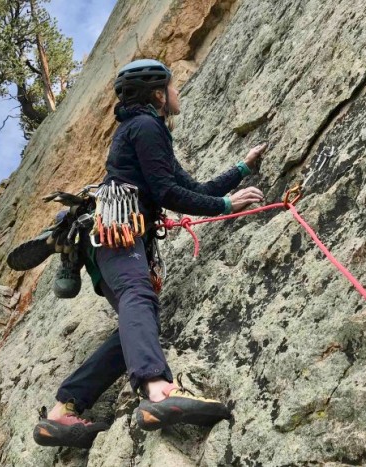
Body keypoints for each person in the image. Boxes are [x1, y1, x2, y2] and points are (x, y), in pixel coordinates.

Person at [33, 59, 267, 449]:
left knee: (138, 319)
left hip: (106, 242)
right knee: (138, 299)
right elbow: (168, 193)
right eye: (173, 87)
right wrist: (227, 206)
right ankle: (157, 392)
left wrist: (241, 169)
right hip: (115, 234)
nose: (178, 93)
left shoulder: (143, 129)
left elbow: (192, 186)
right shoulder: (145, 127)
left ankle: (63, 410)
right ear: (159, 94)